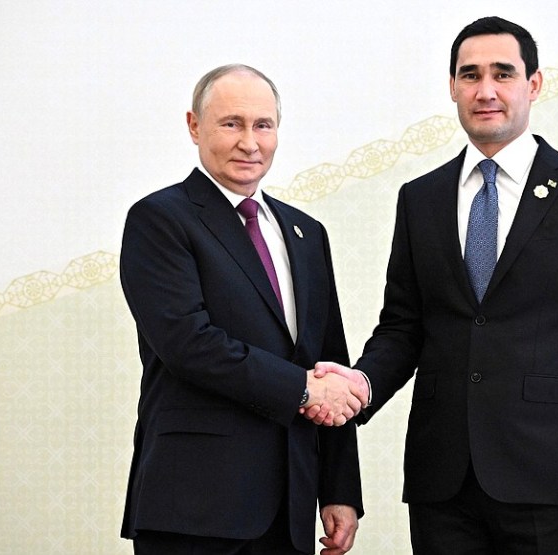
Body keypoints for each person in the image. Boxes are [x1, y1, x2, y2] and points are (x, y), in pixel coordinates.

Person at [307, 16, 558, 554]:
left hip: (550, 480)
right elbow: (403, 328)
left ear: (533, 84)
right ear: (452, 87)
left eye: (502, 74)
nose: (485, 90)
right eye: (470, 75)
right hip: (442, 482)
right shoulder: (420, 198)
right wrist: (361, 385)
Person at [120, 64, 367, 555]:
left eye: (263, 125)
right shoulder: (160, 219)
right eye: (231, 123)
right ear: (194, 126)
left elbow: (329, 361)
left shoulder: (306, 232)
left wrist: (339, 489)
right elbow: (189, 344)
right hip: (195, 507)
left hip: (291, 507)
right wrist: (302, 389)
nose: (249, 143)